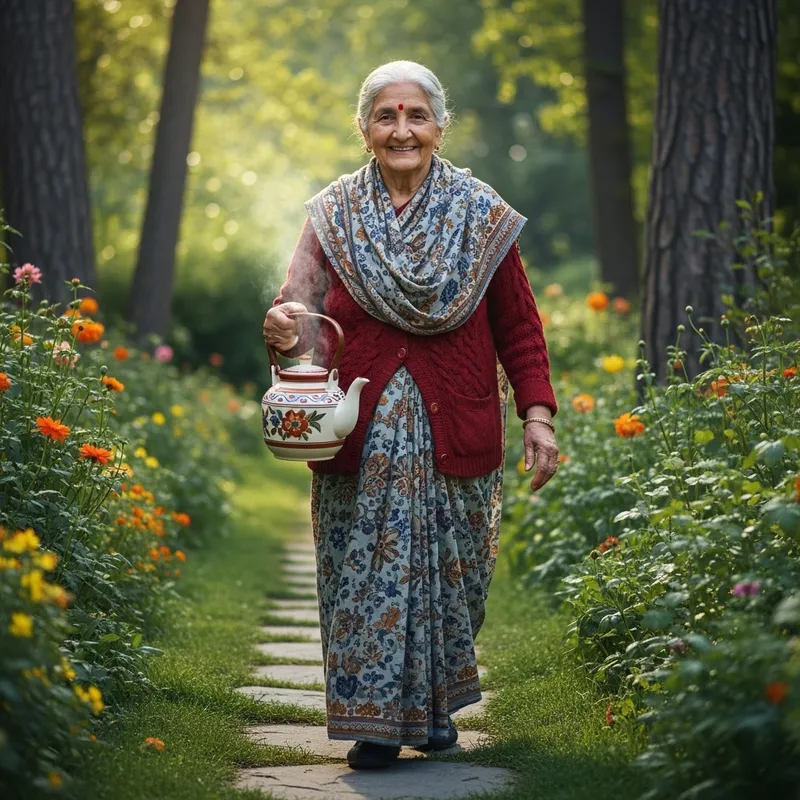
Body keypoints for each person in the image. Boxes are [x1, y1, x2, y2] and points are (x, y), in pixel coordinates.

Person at [263, 60, 559, 770]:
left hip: (453, 430)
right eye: (386, 116)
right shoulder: (331, 216)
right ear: (364, 129)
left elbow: (519, 328)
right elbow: (296, 310)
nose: (402, 130)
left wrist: (539, 418)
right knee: (357, 575)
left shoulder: (481, 215)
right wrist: (279, 326)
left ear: (440, 126)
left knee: (451, 578)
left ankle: (429, 713)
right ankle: (373, 722)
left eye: (416, 116)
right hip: (354, 441)